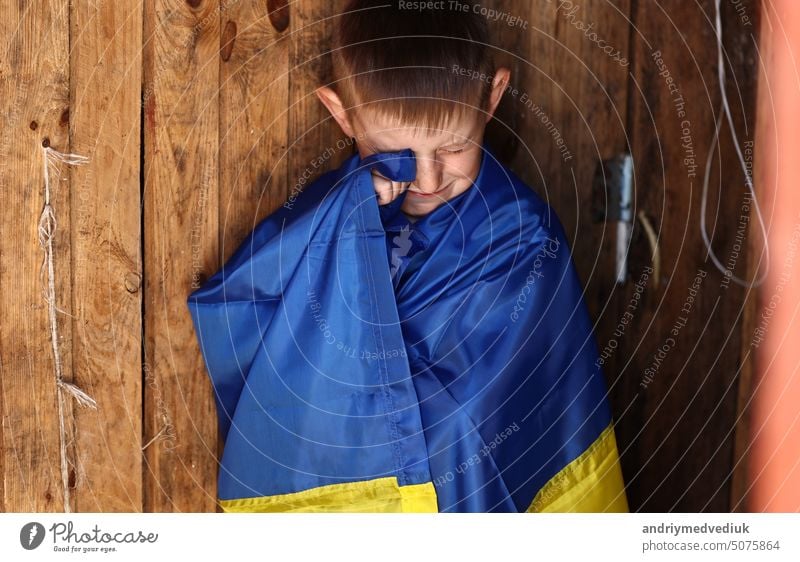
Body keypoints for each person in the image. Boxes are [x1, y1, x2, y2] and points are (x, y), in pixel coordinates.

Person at [187, 0, 628, 513]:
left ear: (493, 97)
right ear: (341, 114)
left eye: (451, 148)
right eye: (397, 153)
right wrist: (348, 220)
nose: (427, 180)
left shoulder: (525, 238)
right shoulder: (331, 215)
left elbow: (476, 413)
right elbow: (242, 302)